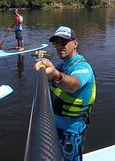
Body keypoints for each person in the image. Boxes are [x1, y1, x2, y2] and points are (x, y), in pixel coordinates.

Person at [34, 26, 96, 161]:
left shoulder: (83, 67)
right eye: (56, 43)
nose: (60, 46)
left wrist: (56, 76)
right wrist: (41, 59)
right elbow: (52, 72)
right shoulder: (62, 66)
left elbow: (74, 84)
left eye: (64, 42)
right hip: (53, 127)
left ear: (75, 43)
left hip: (71, 133)